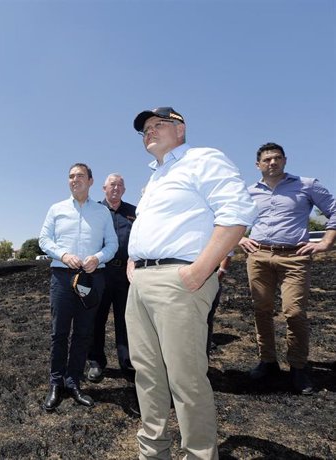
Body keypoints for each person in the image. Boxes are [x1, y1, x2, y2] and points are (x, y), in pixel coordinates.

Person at [126, 107, 258, 459]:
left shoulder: (202, 159)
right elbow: (152, 227)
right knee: (147, 374)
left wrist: (200, 270)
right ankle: (153, 451)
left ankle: (199, 454)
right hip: (141, 283)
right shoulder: (153, 177)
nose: (149, 132)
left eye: (158, 125)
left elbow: (237, 213)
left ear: (180, 129)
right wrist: (133, 260)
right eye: (145, 129)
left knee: (186, 378)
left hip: (180, 282)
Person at [238, 142, 336, 395]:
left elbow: (334, 211)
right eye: (267, 159)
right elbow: (232, 218)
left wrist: (325, 242)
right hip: (258, 255)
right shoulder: (248, 192)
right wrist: (240, 239)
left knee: (293, 312)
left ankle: (298, 366)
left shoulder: (307, 184)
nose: (272, 162)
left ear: (285, 160)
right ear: (258, 165)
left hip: (295, 256)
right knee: (261, 309)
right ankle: (268, 361)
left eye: (277, 158)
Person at [38, 163, 118, 411]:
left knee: (84, 333)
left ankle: (73, 382)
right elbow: (43, 240)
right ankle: (56, 383)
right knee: (59, 332)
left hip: (91, 278)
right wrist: (62, 254)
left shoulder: (102, 212)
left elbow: (112, 244)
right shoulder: (56, 209)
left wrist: (98, 258)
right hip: (62, 277)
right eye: (71, 176)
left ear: (91, 181)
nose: (75, 180)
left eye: (80, 176)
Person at [87, 173, 137, 382]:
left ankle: (127, 363)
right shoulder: (94, 211)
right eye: (112, 185)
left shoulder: (134, 212)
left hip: (126, 275)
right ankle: (96, 362)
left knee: (126, 321)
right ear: (104, 188)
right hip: (100, 273)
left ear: (124, 190)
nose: (116, 188)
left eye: (120, 185)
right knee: (96, 319)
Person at [207, 253, 232, 357]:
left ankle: (205, 347)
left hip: (208, 275)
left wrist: (222, 271)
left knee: (206, 318)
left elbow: (228, 251)